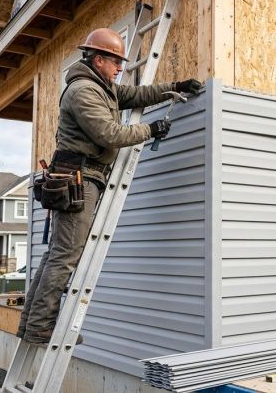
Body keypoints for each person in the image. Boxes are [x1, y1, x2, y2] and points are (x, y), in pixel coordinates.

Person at [17, 28, 203, 344]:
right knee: (65, 256)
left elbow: (135, 95)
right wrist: (151, 129)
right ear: (98, 59)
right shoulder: (83, 92)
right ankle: (40, 326)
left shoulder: (102, 88)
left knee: (57, 254)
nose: (119, 68)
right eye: (115, 62)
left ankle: (31, 324)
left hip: (82, 176)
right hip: (79, 179)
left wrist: (175, 87)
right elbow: (109, 134)